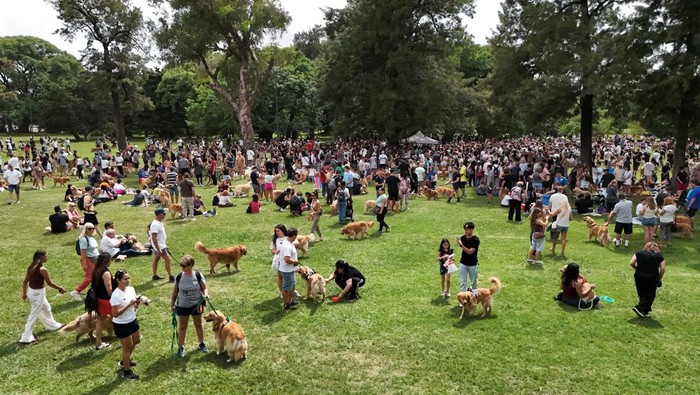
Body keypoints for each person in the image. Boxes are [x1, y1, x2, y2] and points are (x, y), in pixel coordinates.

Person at [20, 250, 64, 344]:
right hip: (38, 294)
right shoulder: (43, 270)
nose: (47, 257)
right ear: (41, 259)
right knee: (33, 315)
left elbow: (25, 281)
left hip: (32, 292)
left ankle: (52, 326)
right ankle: (26, 338)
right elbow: (49, 283)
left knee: (47, 307)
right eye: (46, 256)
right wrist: (60, 289)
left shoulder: (31, 267)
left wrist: (24, 293)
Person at [170, 255, 209, 358]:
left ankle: (201, 343)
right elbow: (174, 293)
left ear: (191, 265)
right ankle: (181, 346)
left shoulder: (197, 275)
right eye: (181, 265)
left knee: (198, 324)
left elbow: (204, 288)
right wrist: (172, 304)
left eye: (184, 265)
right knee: (182, 326)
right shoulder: (179, 277)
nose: (182, 267)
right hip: (183, 305)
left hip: (197, 304)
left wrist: (206, 295)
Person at [110, 269, 143, 380]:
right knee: (127, 347)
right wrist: (129, 304)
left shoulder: (131, 289)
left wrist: (137, 303)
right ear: (118, 280)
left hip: (132, 319)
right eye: (125, 279)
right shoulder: (115, 295)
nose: (128, 281)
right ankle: (126, 371)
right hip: (121, 324)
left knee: (137, 340)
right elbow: (115, 314)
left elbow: (134, 306)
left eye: (129, 278)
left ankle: (125, 360)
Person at [630, 242, 665, 318]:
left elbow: (631, 262)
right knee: (650, 294)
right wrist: (659, 278)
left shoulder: (639, 252)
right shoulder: (659, 256)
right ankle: (639, 308)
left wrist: (637, 269)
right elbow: (662, 269)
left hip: (639, 275)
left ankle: (645, 311)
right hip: (652, 277)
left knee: (642, 293)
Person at [69, 223, 100, 301]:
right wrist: (84, 263)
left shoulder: (91, 237)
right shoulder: (83, 239)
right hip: (88, 259)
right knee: (89, 277)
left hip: (95, 259)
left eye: (93, 228)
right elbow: (83, 251)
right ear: (85, 229)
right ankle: (76, 291)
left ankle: (95, 291)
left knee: (97, 275)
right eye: (89, 228)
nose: (92, 230)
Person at [91, 252, 113, 350]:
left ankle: (98, 342)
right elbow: (109, 289)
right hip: (106, 300)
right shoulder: (106, 273)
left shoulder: (95, 270)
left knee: (99, 322)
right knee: (120, 316)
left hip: (98, 300)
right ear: (107, 261)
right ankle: (127, 336)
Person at [278, 227, 300, 310]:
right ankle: (286, 304)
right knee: (286, 288)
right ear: (294, 236)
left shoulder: (288, 243)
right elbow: (287, 259)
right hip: (286, 270)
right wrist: (295, 261)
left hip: (290, 269)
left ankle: (290, 301)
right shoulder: (287, 246)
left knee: (291, 286)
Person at [150, 208, 174, 282]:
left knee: (156, 259)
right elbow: (154, 238)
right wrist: (159, 249)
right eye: (164, 214)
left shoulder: (159, 222)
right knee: (168, 259)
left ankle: (154, 275)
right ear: (160, 215)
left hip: (160, 245)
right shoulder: (155, 224)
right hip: (159, 246)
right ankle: (171, 276)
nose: (165, 215)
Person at [456, 221, 480, 293]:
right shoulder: (463, 238)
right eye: (465, 229)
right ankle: (463, 299)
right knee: (463, 282)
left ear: (472, 230)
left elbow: (470, 252)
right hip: (463, 263)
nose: (465, 231)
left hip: (472, 264)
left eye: (467, 229)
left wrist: (461, 245)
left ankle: (474, 297)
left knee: (473, 283)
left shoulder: (475, 240)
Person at [270, 224, 288, 298]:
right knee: (280, 277)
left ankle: (292, 290)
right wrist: (275, 251)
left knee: (289, 277)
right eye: (276, 231)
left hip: (287, 260)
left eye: (278, 231)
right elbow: (272, 250)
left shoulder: (288, 238)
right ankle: (281, 292)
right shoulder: (275, 240)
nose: (277, 232)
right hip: (279, 261)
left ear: (283, 231)